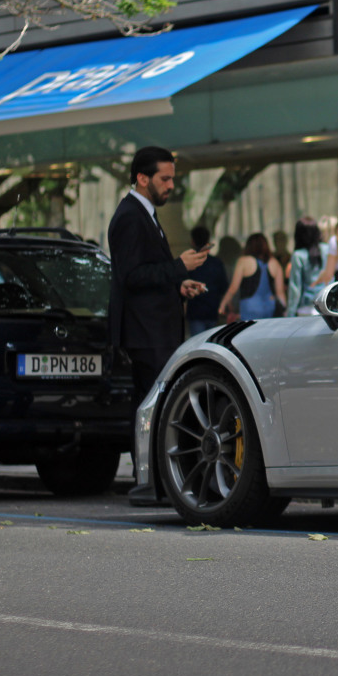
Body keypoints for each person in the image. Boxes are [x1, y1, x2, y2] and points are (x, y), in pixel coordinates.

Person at [107, 146, 207, 505]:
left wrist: (178, 284)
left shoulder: (143, 214)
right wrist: (179, 268)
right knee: (150, 408)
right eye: (165, 179)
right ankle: (148, 482)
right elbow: (131, 276)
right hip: (145, 333)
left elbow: (145, 274)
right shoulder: (130, 216)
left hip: (155, 330)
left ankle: (156, 481)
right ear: (142, 178)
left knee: (155, 406)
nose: (170, 186)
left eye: (172, 179)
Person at [218, 233, 286, 321]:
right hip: (270, 306)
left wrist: (222, 305)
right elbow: (280, 293)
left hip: (249, 307)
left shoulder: (243, 261)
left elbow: (233, 288)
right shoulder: (275, 263)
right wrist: (285, 310)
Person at [185, 225, 229, 336]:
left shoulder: (189, 264)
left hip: (195, 311)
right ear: (208, 241)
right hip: (213, 310)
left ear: (192, 242)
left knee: (197, 346)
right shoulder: (216, 263)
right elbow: (224, 287)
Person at [285, 217, 328, 316]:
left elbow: (295, 288)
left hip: (306, 308)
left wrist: (290, 313)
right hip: (327, 306)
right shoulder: (326, 250)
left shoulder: (298, 255)